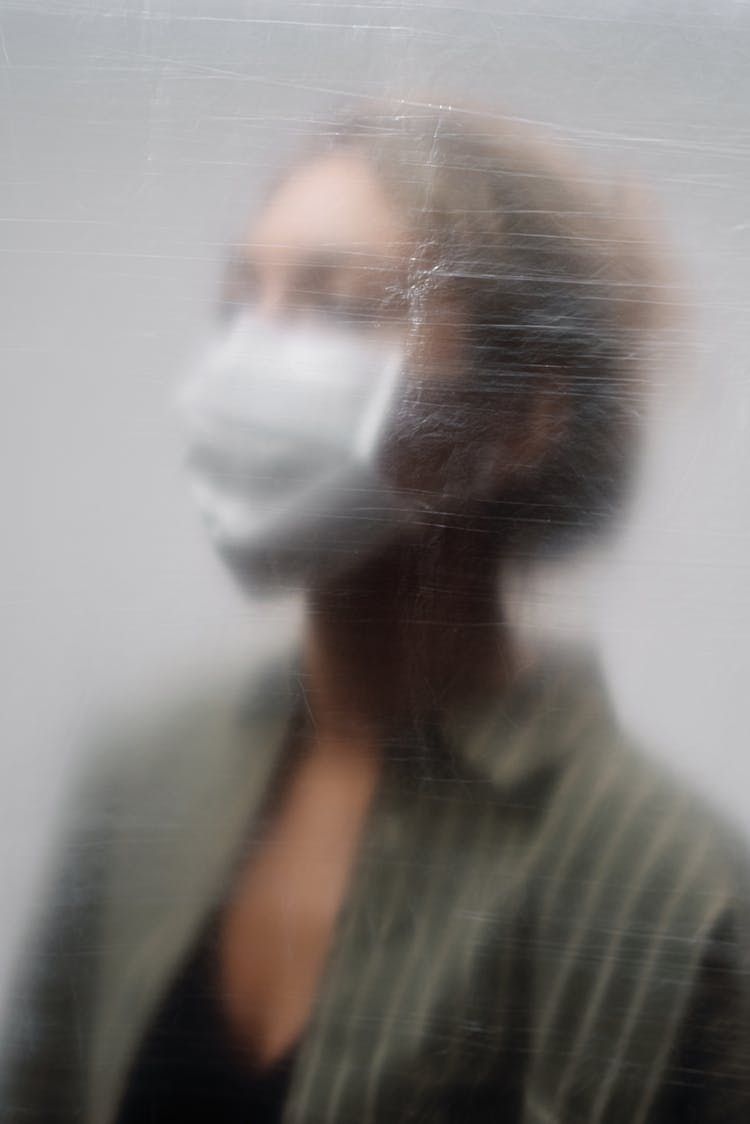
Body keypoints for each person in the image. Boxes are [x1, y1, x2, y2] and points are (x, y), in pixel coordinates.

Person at [2, 103, 749, 1124]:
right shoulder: (149, 766)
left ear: (524, 416)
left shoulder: (665, 889)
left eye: (342, 305)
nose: (247, 367)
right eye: (240, 303)